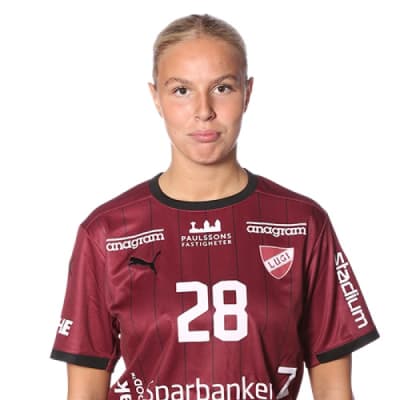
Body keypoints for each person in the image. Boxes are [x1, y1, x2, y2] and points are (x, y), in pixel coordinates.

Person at [51, 14, 379, 400]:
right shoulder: (107, 232)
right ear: (155, 97)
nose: (204, 110)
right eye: (181, 90)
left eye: (222, 88)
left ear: (247, 93)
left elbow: (334, 390)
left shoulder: (303, 224)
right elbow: (84, 392)